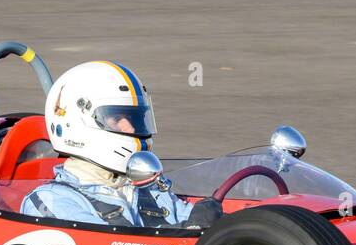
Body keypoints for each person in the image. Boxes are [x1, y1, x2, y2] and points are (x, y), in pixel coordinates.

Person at [21, 61, 218, 228]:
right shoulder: (50, 200)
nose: (131, 128)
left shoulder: (149, 189)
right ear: (76, 124)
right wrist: (186, 231)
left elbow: (193, 220)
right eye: (116, 118)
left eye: (135, 118)